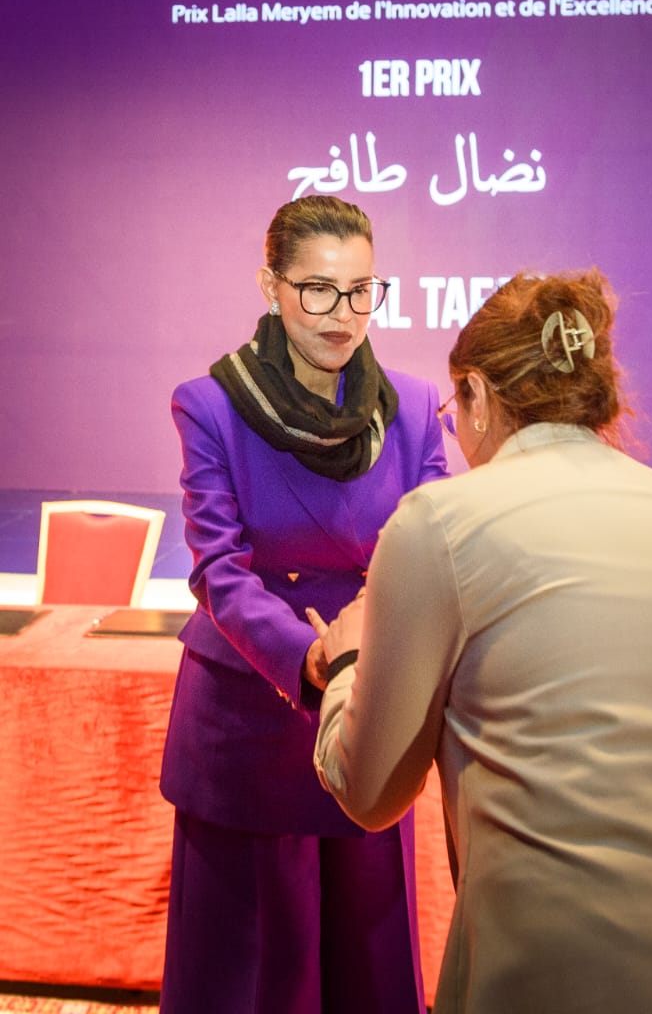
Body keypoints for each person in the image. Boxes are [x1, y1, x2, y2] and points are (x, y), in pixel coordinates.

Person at [310, 269, 652, 1014]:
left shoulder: (438, 523)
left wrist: (345, 663)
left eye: (452, 413)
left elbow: (370, 793)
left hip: (571, 966)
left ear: (477, 396)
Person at [159, 195, 447, 1014]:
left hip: (369, 706)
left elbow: (439, 548)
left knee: (370, 965)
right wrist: (309, 654)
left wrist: (369, 643)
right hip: (251, 712)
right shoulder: (209, 405)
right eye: (318, 290)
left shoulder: (415, 407)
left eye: (361, 291)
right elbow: (219, 570)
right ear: (272, 287)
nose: (343, 314)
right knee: (249, 975)